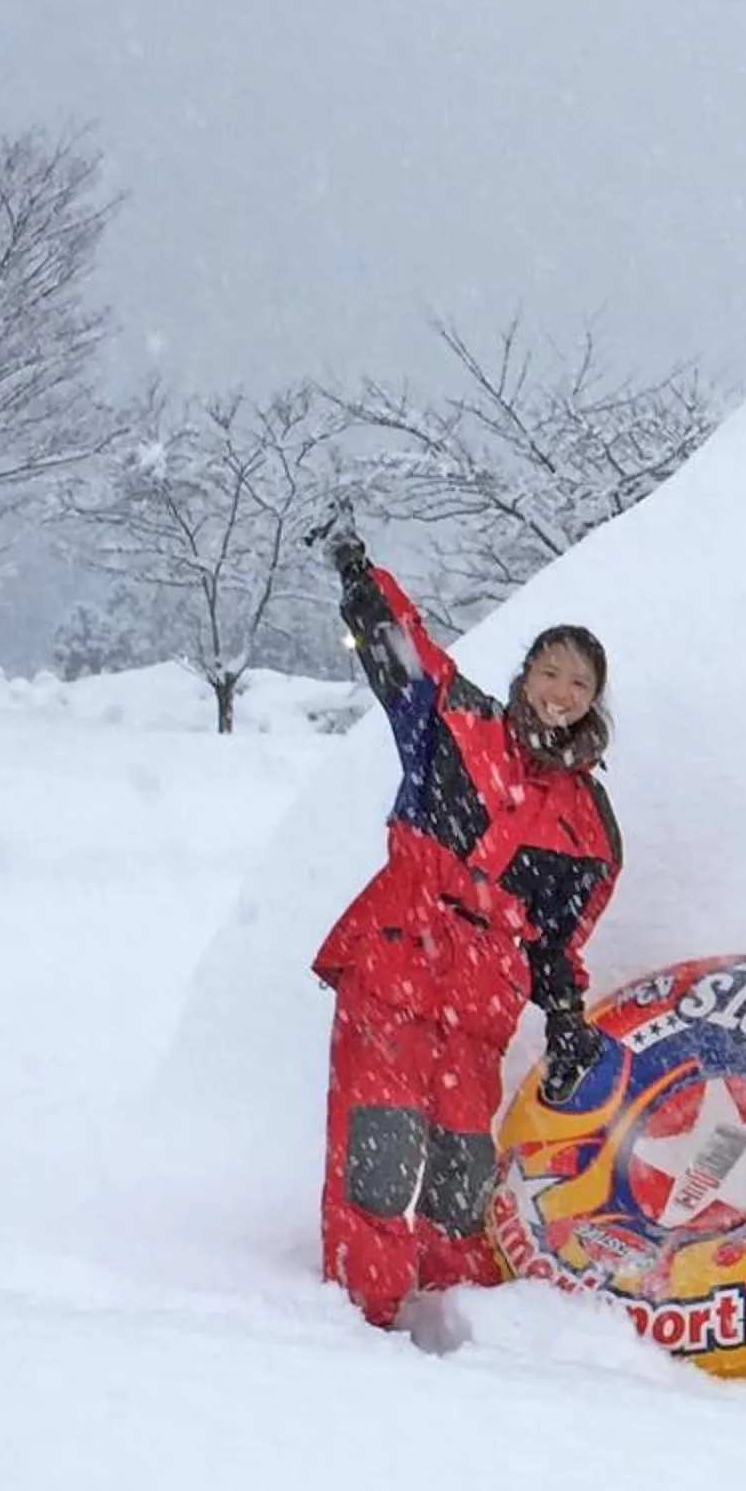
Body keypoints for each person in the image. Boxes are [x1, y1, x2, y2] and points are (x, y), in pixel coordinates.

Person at [308, 515, 623, 1329]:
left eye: (578, 682)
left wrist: (565, 1020)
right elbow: (400, 651)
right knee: (379, 1155)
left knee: (461, 1175)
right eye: (549, 671)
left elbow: (557, 943)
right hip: (396, 959)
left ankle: (464, 1328)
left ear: (593, 701)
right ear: (525, 675)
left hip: (480, 1002)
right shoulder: (453, 722)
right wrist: (358, 577)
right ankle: (358, 1322)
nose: (560, 691)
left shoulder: (590, 826)